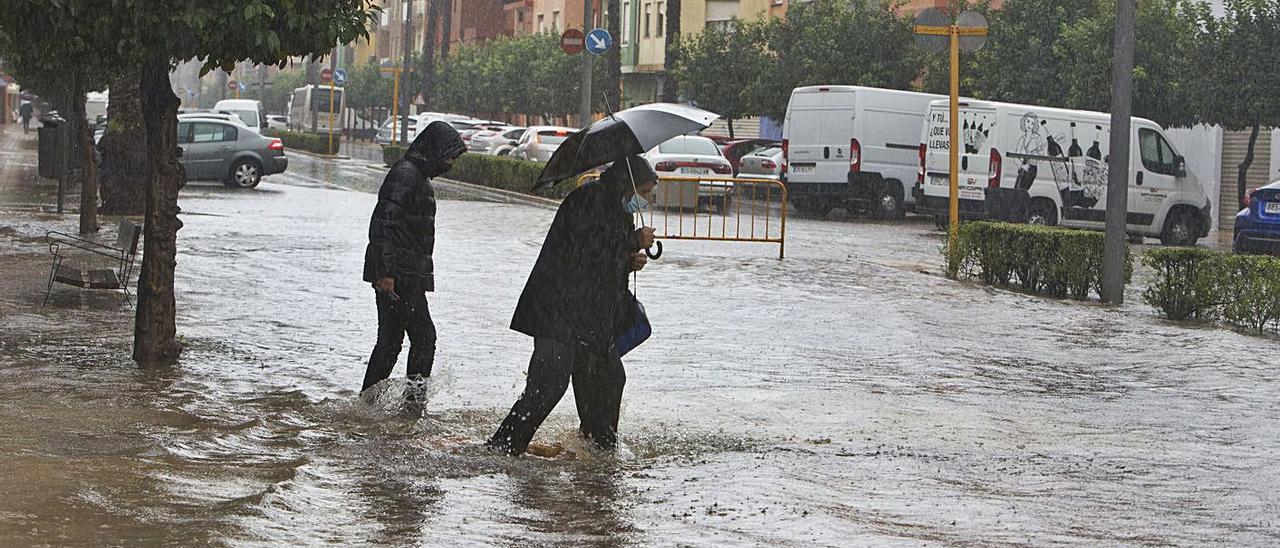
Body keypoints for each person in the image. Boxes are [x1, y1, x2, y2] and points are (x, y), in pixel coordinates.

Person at [488, 156, 658, 456]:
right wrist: (631, 242)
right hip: (557, 308)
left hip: (588, 313)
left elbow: (604, 261)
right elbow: (587, 252)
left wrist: (629, 263)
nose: (644, 200)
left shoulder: (617, 208)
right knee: (549, 385)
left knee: (609, 376)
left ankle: (600, 448)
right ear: (627, 184)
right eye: (642, 191)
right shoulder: (589, 199)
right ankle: (503, 448)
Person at [361, 121, 466, 414]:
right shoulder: (407, 175)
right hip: (399, 276)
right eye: (449, 156)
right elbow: (383, 223)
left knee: (390, 343)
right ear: (435, 149)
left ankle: (367, 404)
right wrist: (385, 274)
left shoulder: (417, 176)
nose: (450, 164)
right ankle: (411, 410)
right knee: (424, 338)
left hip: (404, 274)